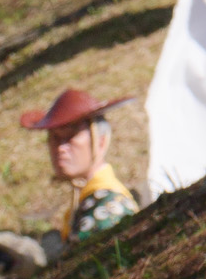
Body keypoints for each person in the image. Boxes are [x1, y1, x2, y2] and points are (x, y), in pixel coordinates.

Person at [19, 87, 140, 245]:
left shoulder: (107, 205)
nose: (61, 148)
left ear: (101, 142)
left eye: (70, 137)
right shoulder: (87, 200)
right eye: (55, 138)